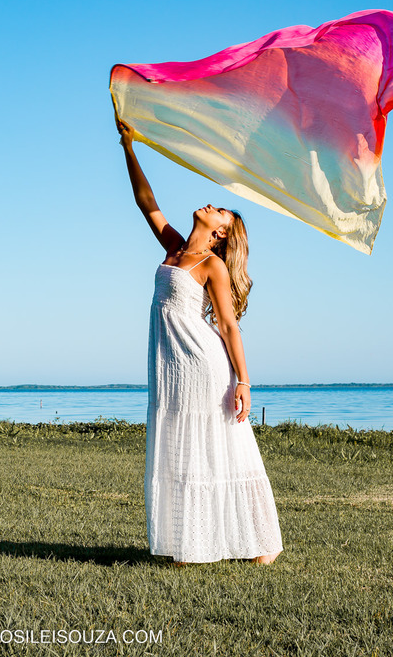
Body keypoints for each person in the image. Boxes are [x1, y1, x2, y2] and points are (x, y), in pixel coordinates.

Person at [117, 119, 283, 566]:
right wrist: (128, 147)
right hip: (172, 366)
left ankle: (260, 545)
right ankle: (190, 544)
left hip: (203, 364)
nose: (213, 205)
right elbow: (145, 203)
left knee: (219, 448)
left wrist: (245, 382)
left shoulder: (212, 265)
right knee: (182, 445)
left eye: (222, 212)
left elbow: (229, 326)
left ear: (221, 233)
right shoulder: (174, 249)